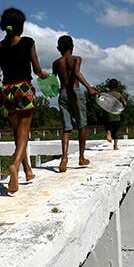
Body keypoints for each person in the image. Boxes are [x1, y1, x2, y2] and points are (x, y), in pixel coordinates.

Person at [0, 8, 48, 194]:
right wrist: (43, 74)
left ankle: (27, 171)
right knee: (24, 133)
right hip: (23, 90)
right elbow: (36, 70)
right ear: (21, 25)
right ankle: (15, 166)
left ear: (4, 25)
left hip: (7, 92)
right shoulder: (28, 42)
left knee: (17, 133)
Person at [52, 35, 97, 173]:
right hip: (75, 92)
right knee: (81, 125)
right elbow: (76, 73)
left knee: (66, 127)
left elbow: (53, 81)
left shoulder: (56, 63)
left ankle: (64, 159)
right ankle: (81, 157)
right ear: (72, 47)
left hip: (63, 93)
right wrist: (89, 87)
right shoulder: (76, 59)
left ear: (58, 48)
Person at [104, 78, 128, 150]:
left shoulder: (107, 95)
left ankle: (108, 132)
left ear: (108, 86)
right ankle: (115, 146)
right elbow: (125, 104)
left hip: (108, 114)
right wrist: (121, 109)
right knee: (116, 131)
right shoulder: (119, 95)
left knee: (109, 127)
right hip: (116, 115)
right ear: (117, 86)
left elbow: (104, 104)